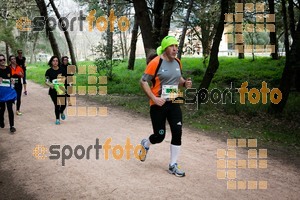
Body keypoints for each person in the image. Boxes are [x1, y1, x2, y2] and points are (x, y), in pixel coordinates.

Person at [138, 36, 192, 177]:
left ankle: (173, 164)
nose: (175, 49)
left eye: (176, 46)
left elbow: (177, 78)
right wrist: (154, 98)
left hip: (173, 102)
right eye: (171, 46)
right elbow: (143, 81)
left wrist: (184, 83)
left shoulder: (177, 62)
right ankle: (146, 143)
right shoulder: (156, 62)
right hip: (158, 105)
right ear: (165, 48)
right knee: (159, 136)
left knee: (177, 131)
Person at [45, 56, 67, 125]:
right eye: (54, 61)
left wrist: (61, 80)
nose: (55, 62)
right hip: (53, 90)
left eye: (56, 61)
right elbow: (46, 81)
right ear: (51, 62)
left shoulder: (62, 70)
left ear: (58, 62)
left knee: (63, 104)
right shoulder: (48, 71)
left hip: (61, 89)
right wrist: (50, 85)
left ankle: (61, 111)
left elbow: (65, 78)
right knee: (57, 105)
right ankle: (57, 119)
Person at [0, 54, 17, 133]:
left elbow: (11, 78)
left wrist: (12, 81)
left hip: (9, 92)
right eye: (0, 60)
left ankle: (12, 126)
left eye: (3, 59)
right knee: (2, 109)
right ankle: (1, 119)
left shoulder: (8, 69)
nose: (2, 61)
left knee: (10, 109)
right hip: (1, 93)